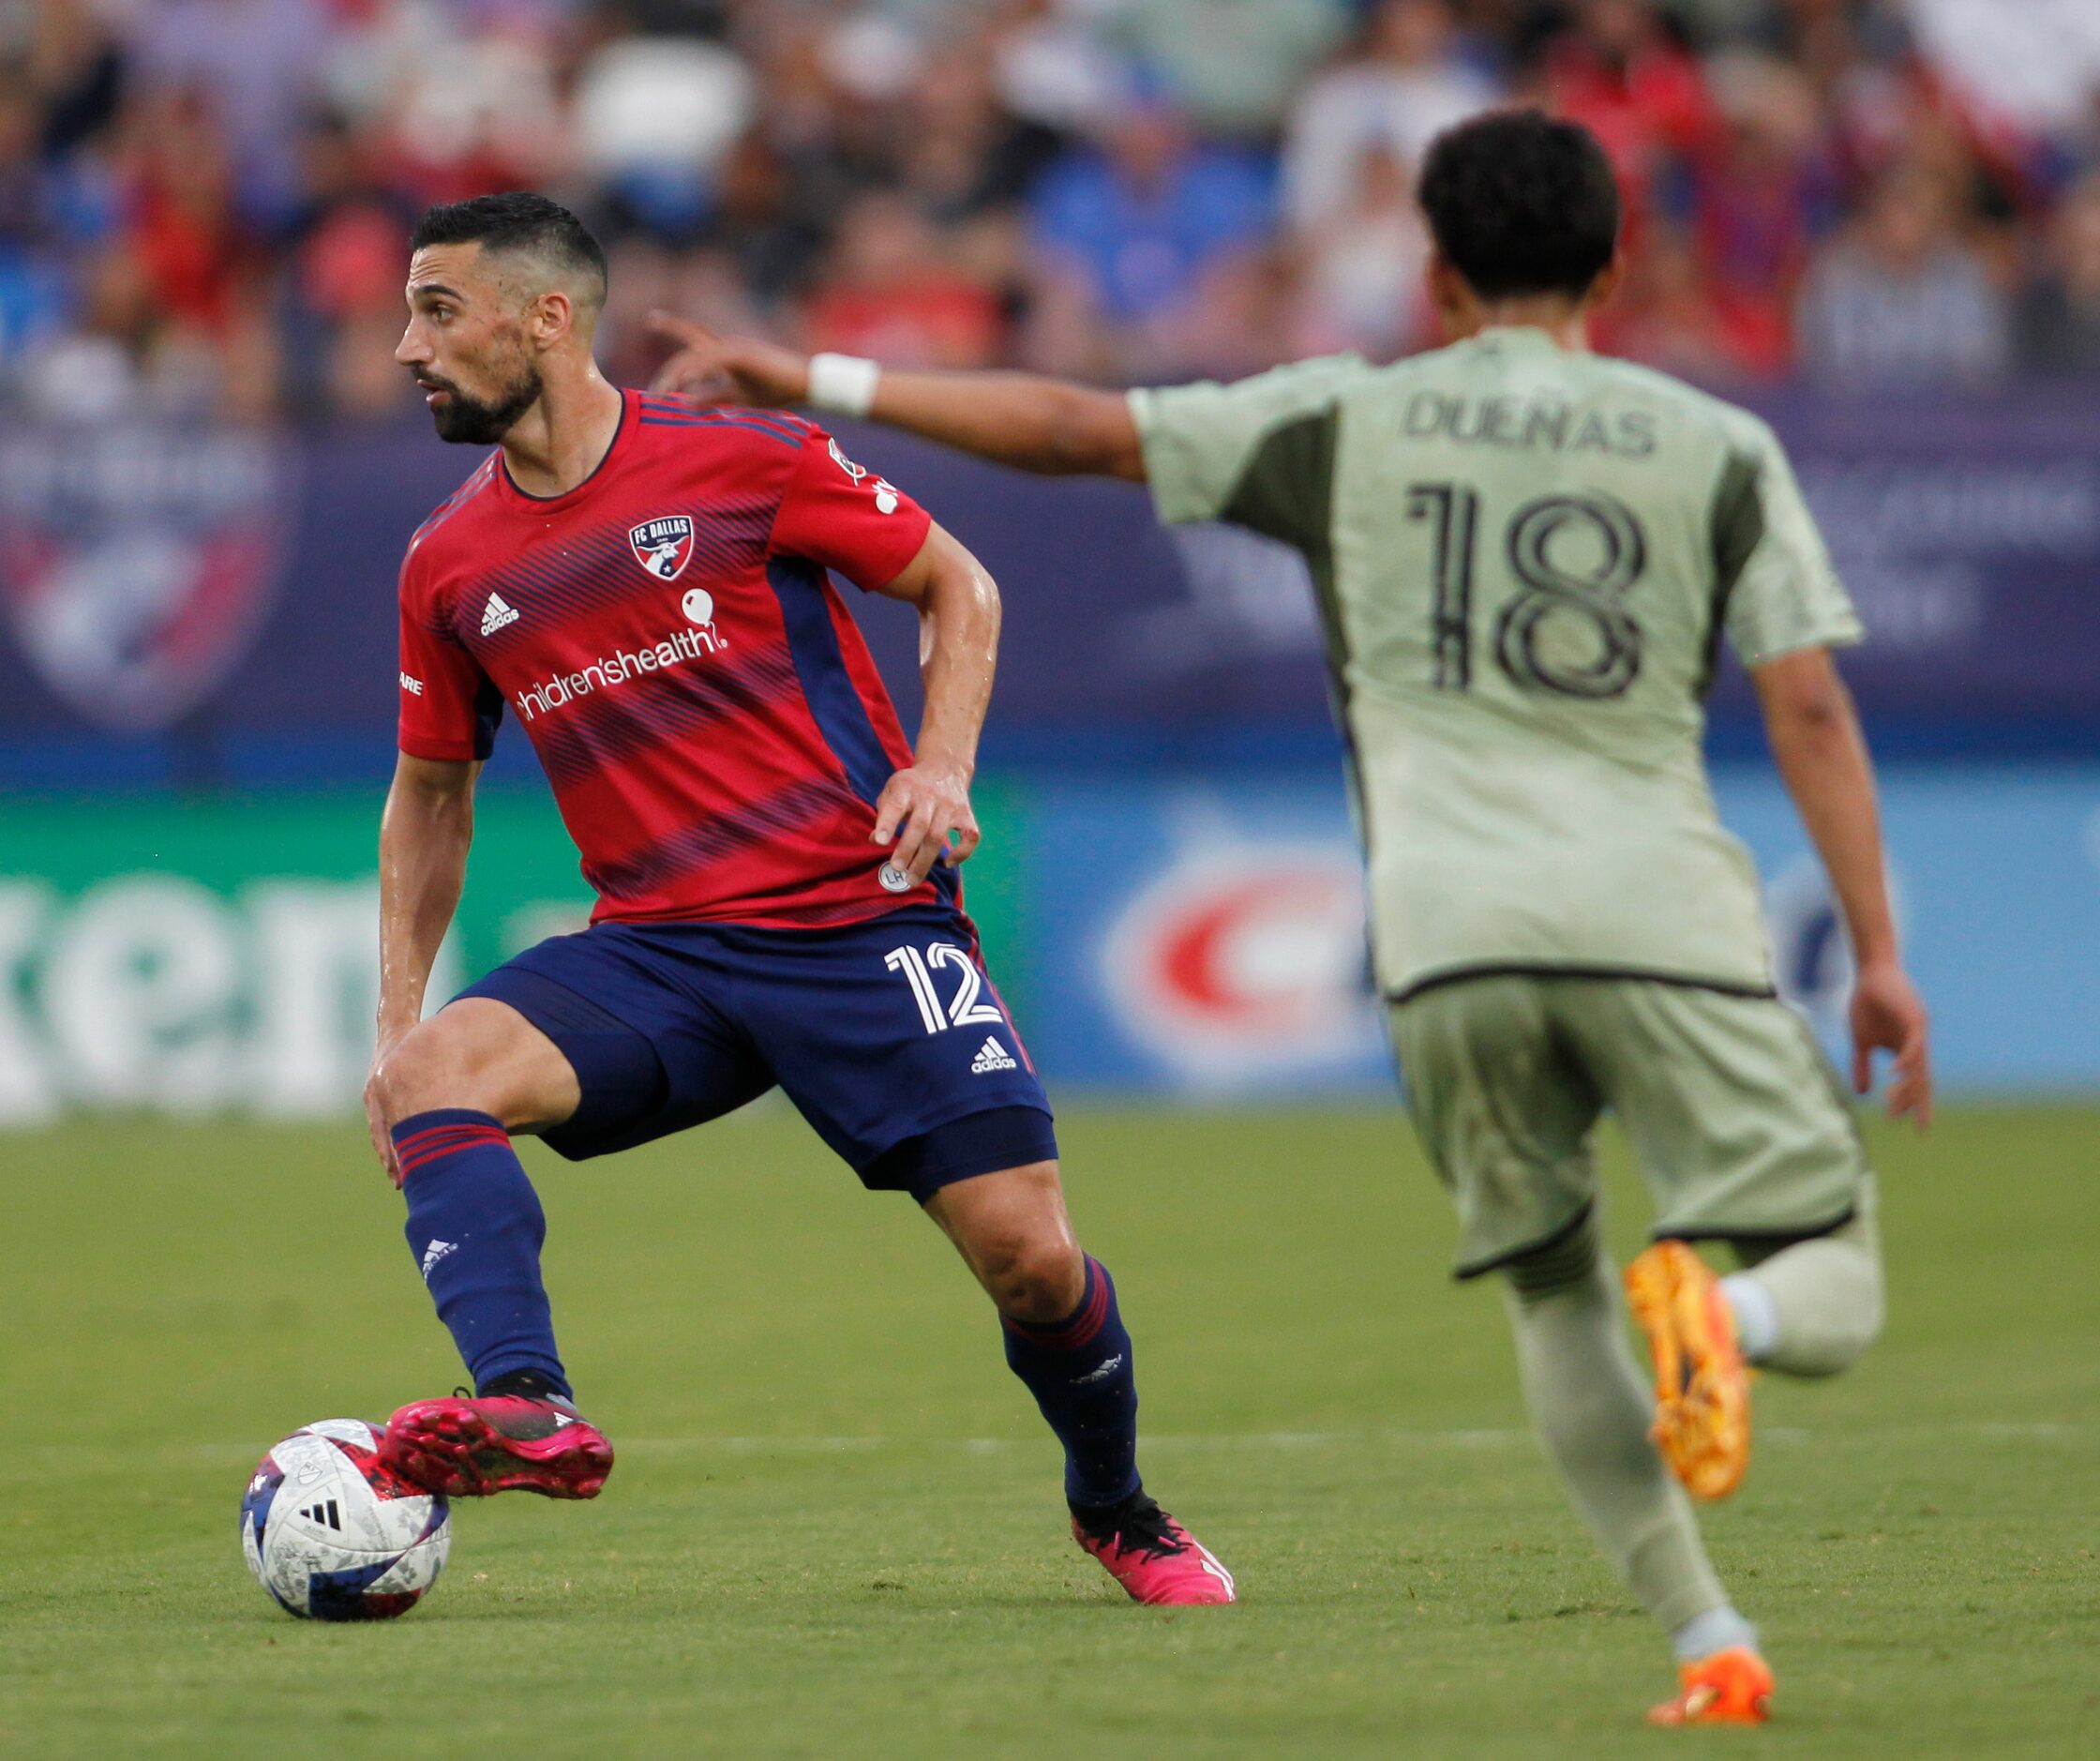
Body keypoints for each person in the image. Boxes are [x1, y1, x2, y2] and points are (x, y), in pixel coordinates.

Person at [650, 109, 1932, 1724]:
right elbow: (1808, 707)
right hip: (1659, 907)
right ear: (1616, 262)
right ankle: (1728, 1313)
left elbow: (1068, 424)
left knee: (1551, 1288)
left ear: (1437, 273)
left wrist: (811, 376)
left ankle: (1708, 1642)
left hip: (1449, 935)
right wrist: (1877, 953)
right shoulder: (1713, 444)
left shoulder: (1355, 415)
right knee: (1833, 1271)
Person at [365, 191, 1234, 1608]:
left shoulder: (742, 462)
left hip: (858, 919)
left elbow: (960, 584)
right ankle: (527, 1401)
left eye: (438, 310)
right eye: (408, 311)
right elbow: (433, 795)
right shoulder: (449, 563)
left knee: (1028, 1257)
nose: (408, 345)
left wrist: (940, 765)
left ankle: (1119, 1507)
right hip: (659, 954)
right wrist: (393, 1024)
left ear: (548, 317)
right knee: (435, 1075)